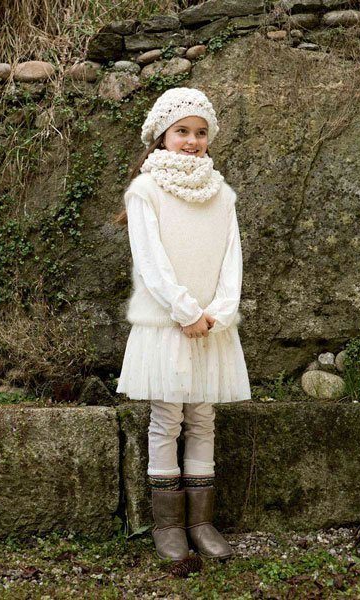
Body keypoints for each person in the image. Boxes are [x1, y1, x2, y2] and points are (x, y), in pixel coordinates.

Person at [115, 87, 251, 561]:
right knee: (167, 417)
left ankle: (201, 521)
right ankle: (168, 524)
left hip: (212, 325)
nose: (192, 141)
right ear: (161, 135)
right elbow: (150, 260)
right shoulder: (145, 191)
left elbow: (232, 258)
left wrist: (221, 311)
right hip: (169, 324)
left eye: (200, 132)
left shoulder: (222, 195)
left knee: (203, 417)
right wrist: (185, 310)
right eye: (182, 131)